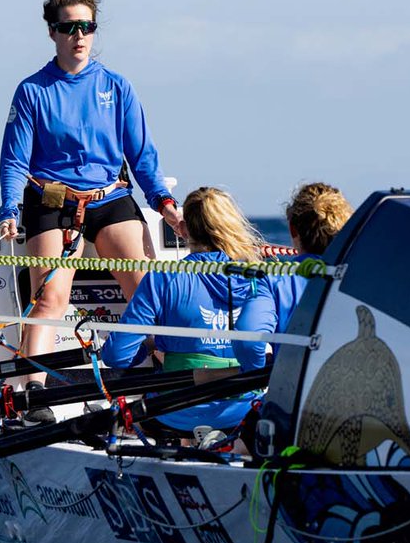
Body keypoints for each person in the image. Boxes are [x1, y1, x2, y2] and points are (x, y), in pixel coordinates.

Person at [0, 0, 184, 421]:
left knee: (149, 293)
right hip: (52, 201)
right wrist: (8, 210)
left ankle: (171, 387)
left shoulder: (117, 87)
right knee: (50, 299)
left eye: (87, 27)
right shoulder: (32, 91)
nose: (78, 36)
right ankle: (33, 395)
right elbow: (13, 161)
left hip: (108, 197)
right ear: (52, 32)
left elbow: (142, 156)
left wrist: (165, 206)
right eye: (69, 28)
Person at [101, 187, 270, 439]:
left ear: (184, 229)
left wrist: (152, 344)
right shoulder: (260, 277)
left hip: (175, 411)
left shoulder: (163, 277)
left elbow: (116, 355)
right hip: (244, 411)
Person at [234, 183, 352, 361]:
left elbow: (248, 342)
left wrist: (265, 370)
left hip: (295, 383)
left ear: (292, 229)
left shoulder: (274, 280)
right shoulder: (361, 277)